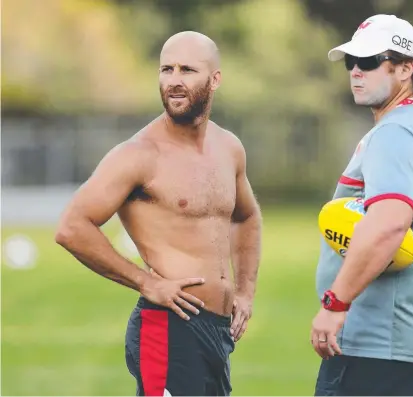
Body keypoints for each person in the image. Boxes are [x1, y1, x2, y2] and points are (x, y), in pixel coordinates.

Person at [55, 31, 262, 396]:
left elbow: (246, 216)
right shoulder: (137, 155)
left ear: (215, 80)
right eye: (166, 69)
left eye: (187, 70)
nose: (174, 81)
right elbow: (72, 227)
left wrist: (244, 291)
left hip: (216, 332)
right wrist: (146, 282)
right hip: (168, 328)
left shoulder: (229, 147)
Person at [310, 14, 413, 396]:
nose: (356, 72)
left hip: (382, 349)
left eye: (369, 62)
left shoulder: (396, 132)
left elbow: (388, 225)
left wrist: (335, 303)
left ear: (406, 68)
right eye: (351, 62)